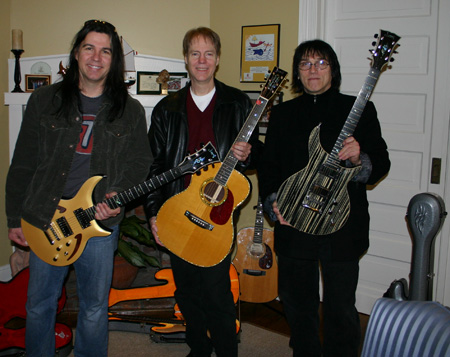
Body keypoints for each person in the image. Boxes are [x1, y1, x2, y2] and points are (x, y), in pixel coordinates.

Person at [5, 20, 151, 357]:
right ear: (76, 53)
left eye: (105, 50)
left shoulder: (130, 111)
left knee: (95, 308)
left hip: (100, 226)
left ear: (113, 60)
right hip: (46, 218)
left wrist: (118, 193)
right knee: (40, 305)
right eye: (89, 47)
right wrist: (14, 217)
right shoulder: (44, 100)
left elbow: (140, 163)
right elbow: (23, 163)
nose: (96, 57)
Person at [258, 39, 391, 356]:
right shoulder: (283, 114)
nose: (312, 70)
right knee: (296, 302)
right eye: (305, 64)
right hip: (295, 221)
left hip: (343, 224)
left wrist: (360, 157)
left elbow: (381, 162)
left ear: (334, 70)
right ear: (298, 73)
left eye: (321, 63)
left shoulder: (359, 109)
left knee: (341, 307)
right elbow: (269, 165)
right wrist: (272, 201)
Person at [145, 27, 259, 357]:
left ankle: (226, 351)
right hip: (178, 213)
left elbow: (257, 157)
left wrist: (249, 154)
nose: (202, 60)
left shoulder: (238, 103)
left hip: (217, 215)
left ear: (218, 59)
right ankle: (198, 349)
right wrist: (154, 214)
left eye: (208, 53)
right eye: (195, 53)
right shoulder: (167, 109)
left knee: (217, 293)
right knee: (187, 293)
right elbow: (154, 167)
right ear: (185, 59)